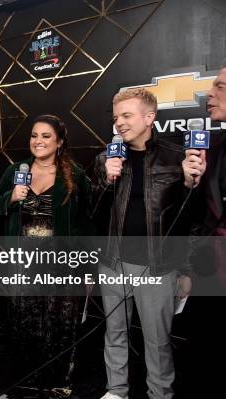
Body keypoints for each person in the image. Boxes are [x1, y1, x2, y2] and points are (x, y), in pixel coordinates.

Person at [93, 88, 192, 399]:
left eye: (126, 115)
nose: (119, 123)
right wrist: (105, 180)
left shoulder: (177, 157)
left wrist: (186, 269)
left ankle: (160, 393)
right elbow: (91, 213)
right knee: (115, 334)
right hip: (113, 264)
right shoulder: (105, 158)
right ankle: (116, 390)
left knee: (157, 339)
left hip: (157, 267)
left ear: (149, 117)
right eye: (115, 118)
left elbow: (189, 220)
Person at [0, 114, 93, 394]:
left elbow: (87, 223)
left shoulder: (76, 174)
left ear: (59, 142)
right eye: (34, 135)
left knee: (61, 325)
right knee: (26, 325)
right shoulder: (15, 171)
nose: (38, 141)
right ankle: (28, 383)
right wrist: (10, 198)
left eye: (46, 136)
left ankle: (59, 384)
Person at [181, 58, 226, 395]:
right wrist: (191, 182)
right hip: (212, 273)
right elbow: (200, 215)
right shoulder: (214, 149)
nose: (208, 94)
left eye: (220, 87)